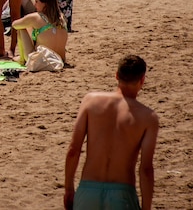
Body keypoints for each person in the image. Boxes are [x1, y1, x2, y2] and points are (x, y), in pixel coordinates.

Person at [65, 55, 158, 210]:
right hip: (122, 194)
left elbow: (73, 150)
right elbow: (146, 169)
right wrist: (146, 207)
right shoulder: (148, 117)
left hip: (88, 191)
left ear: (116, 75)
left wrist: (68, 187)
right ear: (142, 80)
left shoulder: (91, 101)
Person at [11, 0, 68, 65]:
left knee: (21, 28)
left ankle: (22, 59)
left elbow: (14, 25)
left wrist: (28, 24)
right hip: (60, 59)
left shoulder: (36, 17)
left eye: (37, 2)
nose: (34, 5)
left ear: (45, 4)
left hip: (41, 61)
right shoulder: (61, 18)